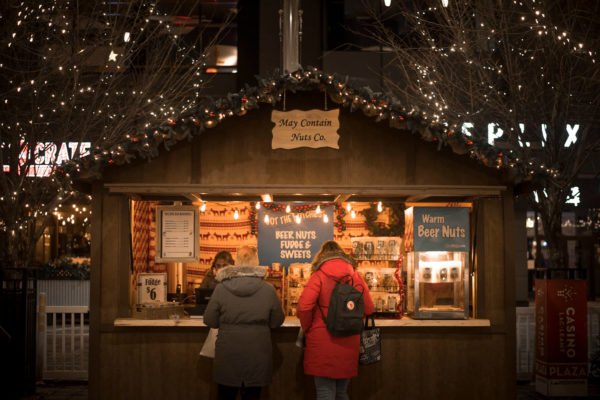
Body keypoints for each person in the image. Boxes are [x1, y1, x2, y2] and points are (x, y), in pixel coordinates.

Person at [203, 245, 285, 400]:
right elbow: (277, 322)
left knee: (226, 395)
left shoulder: (221, 288)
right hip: (258, 353)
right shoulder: (268, 290)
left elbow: (209, 320)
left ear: (237, 263)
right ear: (257, 263)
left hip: (228, 353)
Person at [297, 240, 375, 400]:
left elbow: (304, 307)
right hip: (349, 341)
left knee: (325, 393)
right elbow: (369, 309)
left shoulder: (317, 276)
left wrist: (308, 328)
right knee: (341, 393)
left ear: (321, 257)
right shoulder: (355, 276)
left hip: (322, 341)